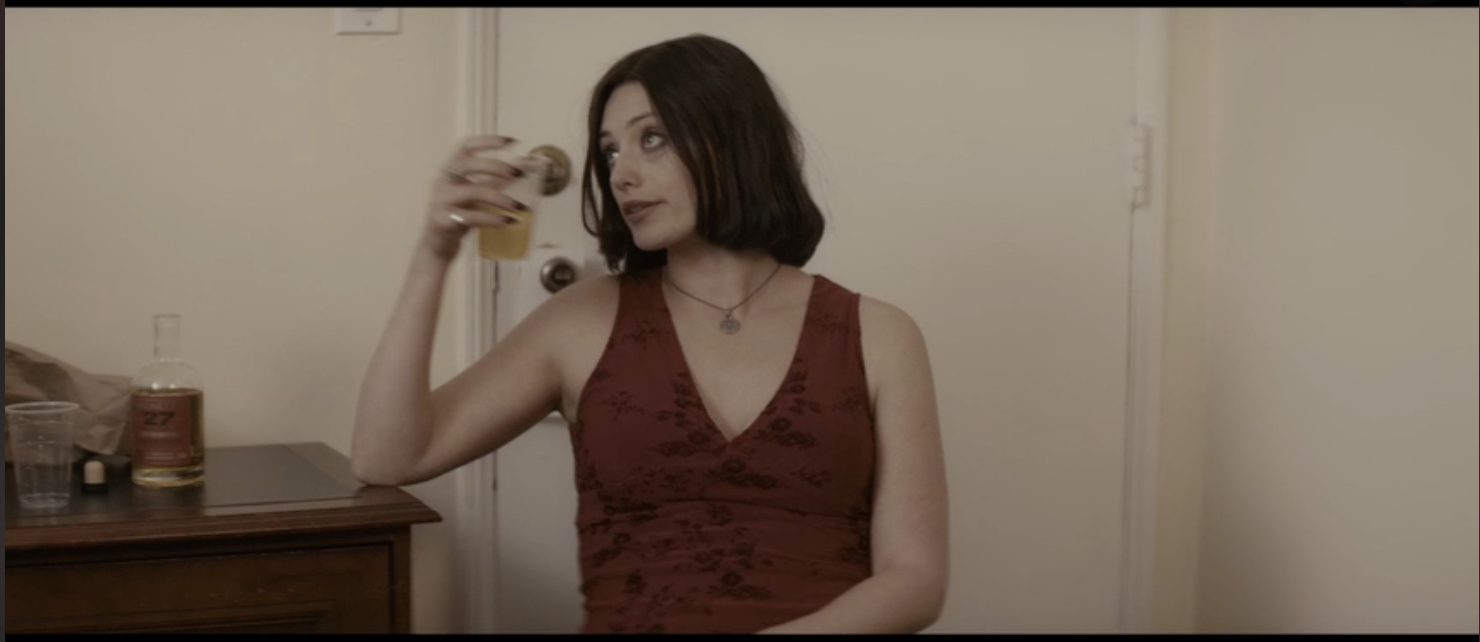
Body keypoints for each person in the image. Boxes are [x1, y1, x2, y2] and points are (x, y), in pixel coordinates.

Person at [351, 33, 948, 634]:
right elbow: (388, 456)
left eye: (652, 138)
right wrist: (435, 252)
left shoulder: (879, 335)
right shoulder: (582, 321)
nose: (622, 175)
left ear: (734, 138)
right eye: (610, 153)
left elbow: (915, 578)